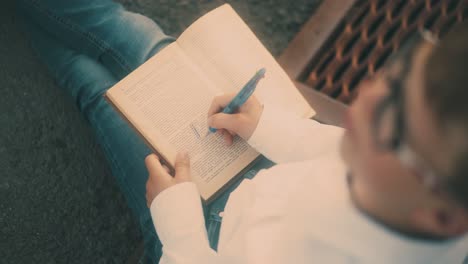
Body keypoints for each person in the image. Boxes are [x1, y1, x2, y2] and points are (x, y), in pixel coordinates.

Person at [16, 0, 468, 263]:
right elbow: (324, 147)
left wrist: (178, 228)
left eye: (395, 125)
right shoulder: (398, 178)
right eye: (401, 73)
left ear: (443, 218)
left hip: (198, 237)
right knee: (138, 38)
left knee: (97, 92)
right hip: (257, 172)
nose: (365, 100)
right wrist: (264, 126)